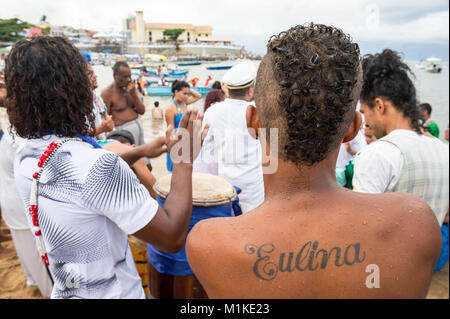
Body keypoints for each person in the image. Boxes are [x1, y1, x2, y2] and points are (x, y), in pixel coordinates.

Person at [186, 23, 442, 298]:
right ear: (353, 128)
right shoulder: (415, 222)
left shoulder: (209, 245)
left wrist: (183, 165)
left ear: (252, 122)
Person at [5, 36, 205, 299]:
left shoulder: (26, 154)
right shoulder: (95, 168)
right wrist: (184, 161)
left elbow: (80, 184)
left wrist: (140, 151)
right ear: (73, 89)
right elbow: (171, 238)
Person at [353, 49, 449, 226]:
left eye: (365, 112)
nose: (367, 122)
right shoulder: (443, 151)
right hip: (434, 251)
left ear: (379, 105)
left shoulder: (378, 154)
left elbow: (362, 227)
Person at [193, 60, 264, 214]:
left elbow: (207, 151)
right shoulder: (259, 111)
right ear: (251, 90)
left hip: (225, 184)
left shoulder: (212, 112)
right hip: (254, 187)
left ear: (227, 90)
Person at [0, 131, 54, 297]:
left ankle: (33, 280)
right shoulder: (21, 143)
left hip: (12, 204)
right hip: (23, 208)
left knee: (26, 252)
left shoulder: (12, 135)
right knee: (43, 265)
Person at [101, 61, 147, 147]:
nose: (129, 79)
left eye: (129, 76)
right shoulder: (107, 94)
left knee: (143, 157)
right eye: (125, 77)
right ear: (115, 76)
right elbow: (104, 120)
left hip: (138, 128)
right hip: (123, 135)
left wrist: (133, 94)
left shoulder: (130, 89)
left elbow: (142, 111)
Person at [165, 80, 202, 172]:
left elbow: (198, 96)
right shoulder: (171, 108)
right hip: (176, 144)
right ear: (176, 92)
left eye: (188, 94)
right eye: (184, 93)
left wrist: (188, 90)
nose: (187, 96)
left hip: (186, 141)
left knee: (186, 171)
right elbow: (171, 131)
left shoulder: (184, 103)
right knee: (174, 173)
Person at [86, 64, 114, 141]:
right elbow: (76, 136)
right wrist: (101, 129)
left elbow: (106, 120)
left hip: (103, 143)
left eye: (93, 73)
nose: (95, 76)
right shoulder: (76, 103)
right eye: (89, 74)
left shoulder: (97, 99)